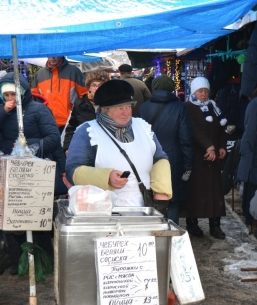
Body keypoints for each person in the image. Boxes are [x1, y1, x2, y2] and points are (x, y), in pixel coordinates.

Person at [0, 72, 66, 276]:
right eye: (7, 95)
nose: (10, 98)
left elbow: (53, 138)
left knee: (37, 216)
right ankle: (18, 260)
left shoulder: (39, 110)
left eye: (13, 94)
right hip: (11, 172)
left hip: (36, 171)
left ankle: (45, 258)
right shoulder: (0, 110)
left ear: (22, 91)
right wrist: (2, 111)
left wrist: (31, 148)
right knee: (15, 217)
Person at [66, 79, 172, 207]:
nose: (126, 112)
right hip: (103, 209)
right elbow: (73, 171)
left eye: (128, 106)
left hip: (144, 207)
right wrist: (106, 177)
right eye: (119, 108)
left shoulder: (143, 127)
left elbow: (159, 158)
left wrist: (161, 194)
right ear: (105, 109)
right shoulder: (88, 132)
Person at [137, 75, 193, 224]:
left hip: (148, 159)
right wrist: (188, 166)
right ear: (172, 89)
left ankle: (151, 234)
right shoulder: (179, 107)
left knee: (149, 197)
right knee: (171, 200)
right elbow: (186, 139)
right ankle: (171, 238)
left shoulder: (143, 108)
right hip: (173, 160)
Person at [184, 77, 227, 239]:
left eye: (206, 91)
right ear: (194, 92)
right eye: (200, 91)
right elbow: (193, 130)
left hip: (213, 158)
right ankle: (192, 223)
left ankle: (215, 225)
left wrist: (221, 146)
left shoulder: (213, 107)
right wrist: (208, 145)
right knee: (195, 190)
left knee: (215, 192)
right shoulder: (188, 107)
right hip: (197, 156)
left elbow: (220, 129)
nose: (203, 94)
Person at [30, 56, 87, 133]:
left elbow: (84, 95)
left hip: (69, 122)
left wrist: (77, 112)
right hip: (47, 122)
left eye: (56, 54)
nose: (53, 57)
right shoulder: (39, 74)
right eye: (50, 54)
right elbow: (34, 98)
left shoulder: (74, 71)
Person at [63, 70, 109, 154]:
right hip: (84, 147)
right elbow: (71, 128)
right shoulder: (80, 104)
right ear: (89, 87)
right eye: (93, 85)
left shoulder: (110, 104)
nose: (97, 88)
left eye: (100, 85)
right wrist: (67, 147)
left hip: (105, 148)